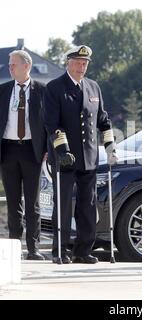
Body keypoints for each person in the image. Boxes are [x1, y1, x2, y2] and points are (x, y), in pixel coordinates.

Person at [44, 45, 117, 264]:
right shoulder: (55, 88)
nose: (81, 67)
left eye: (84, 64)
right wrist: (62, 150)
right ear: (69, 62)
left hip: (89, 158)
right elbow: (52, 124)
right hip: (65, 157)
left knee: (88, 205)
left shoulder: (94, 87)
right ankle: (60, 250)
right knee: (64, 205)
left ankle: (83, 250)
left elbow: (103, 120)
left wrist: (110, 147)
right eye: (77, 63)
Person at [0, 50, 47, 260]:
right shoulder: (3, 90)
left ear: (26, 66)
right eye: (9, 65)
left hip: (32, 151)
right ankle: (14, 248)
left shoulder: (42, 91)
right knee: (12, 202)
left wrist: (46, 149)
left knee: (32, 203)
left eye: (13, 64)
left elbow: (49, 123)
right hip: (8, 150)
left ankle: (33, 249)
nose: (10, 68)